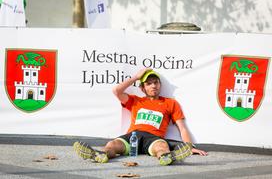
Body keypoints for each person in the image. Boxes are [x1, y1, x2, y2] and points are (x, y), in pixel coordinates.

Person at [73, 68, 207, 165]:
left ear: (160, 84)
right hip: (133, 136)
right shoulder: (136, 100)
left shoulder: (170, 103)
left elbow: (182, 128)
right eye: (149, 83)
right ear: (143, 88)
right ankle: (100, 155)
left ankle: (166, 157)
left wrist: (189, 147)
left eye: (156, 82)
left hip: (154, 138)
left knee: (162, 147)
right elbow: (116, 91)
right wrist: (136, 77)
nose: (153, 86)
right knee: (112, 144)